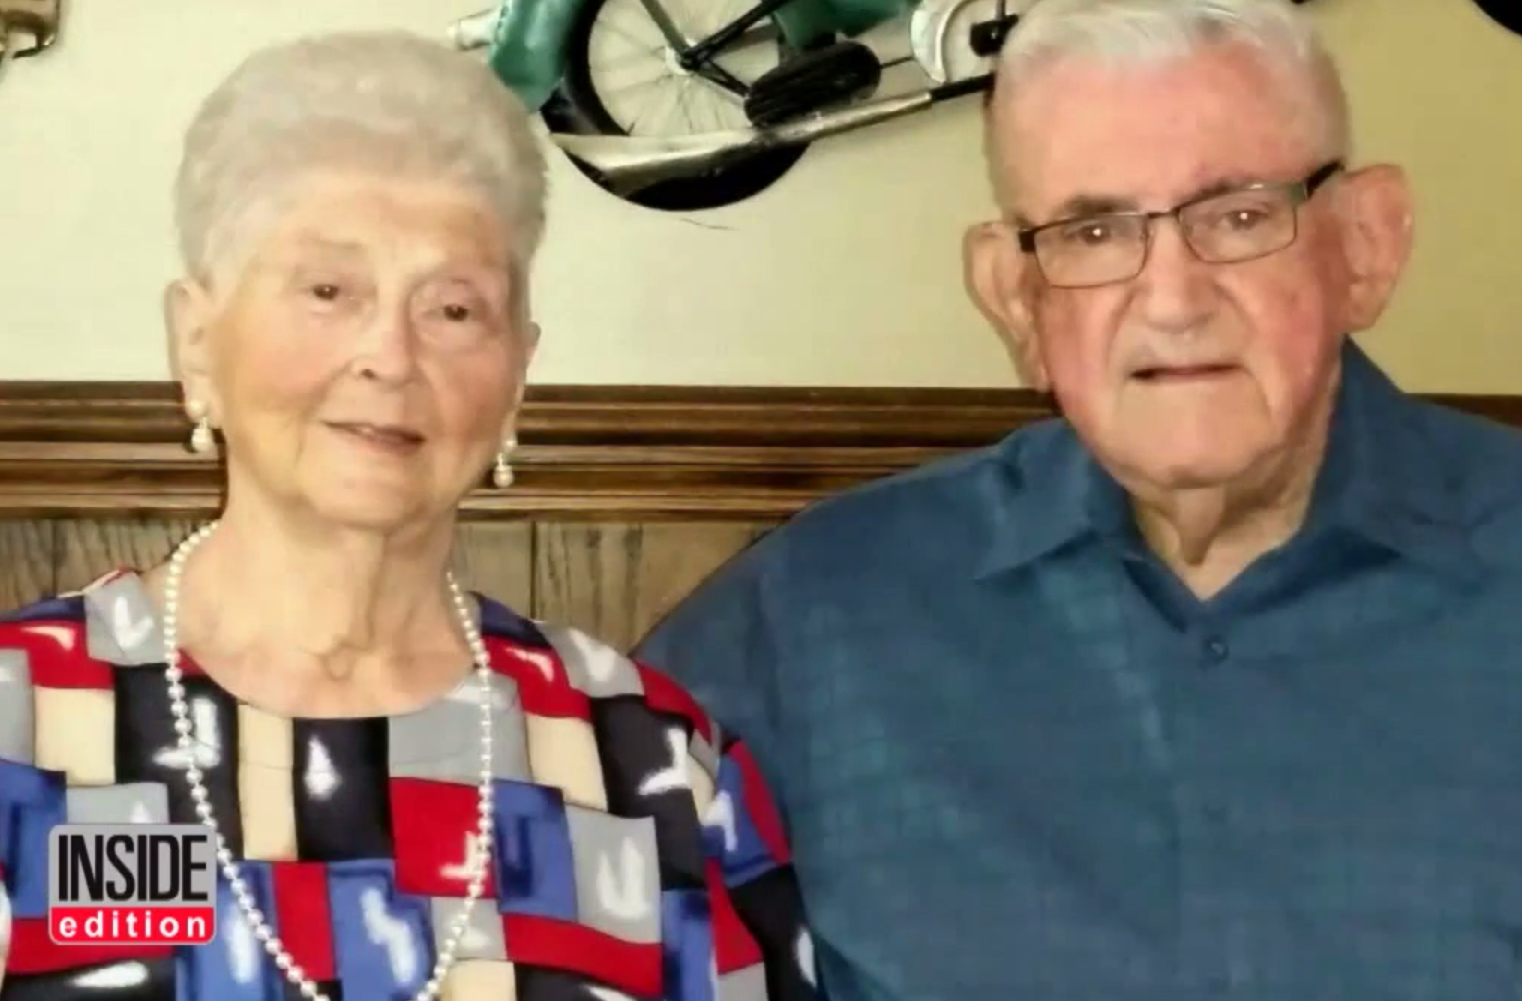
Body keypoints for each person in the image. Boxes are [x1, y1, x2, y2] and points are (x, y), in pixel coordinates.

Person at [636, 0, 1522, 998]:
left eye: (1238, 214)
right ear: (1014, 297)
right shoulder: (812, 615)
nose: (1174, 298)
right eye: (1093, 231)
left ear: (1364, 246)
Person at [0, 31, 817, 1001]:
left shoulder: (655, 767)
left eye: (455, 310)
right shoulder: (24, 724)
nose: (389, 355)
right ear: (198, 340)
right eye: (329, 290)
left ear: (518, 372)